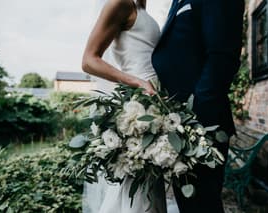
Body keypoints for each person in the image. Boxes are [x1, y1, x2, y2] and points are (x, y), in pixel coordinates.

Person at [81, 0, 178, 212]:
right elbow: (88, 60)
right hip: (138, 105)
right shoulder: (120, 3)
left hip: (155, 105)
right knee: (134, 187)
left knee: (149, 185)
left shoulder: (141, 8)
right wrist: (136, 82)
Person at [152, 0, 245, 212]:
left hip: (201, 127)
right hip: (179, 127)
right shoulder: (177, 2)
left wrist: (192, 124)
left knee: (202, 206)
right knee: (189, 205)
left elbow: (222, 57)